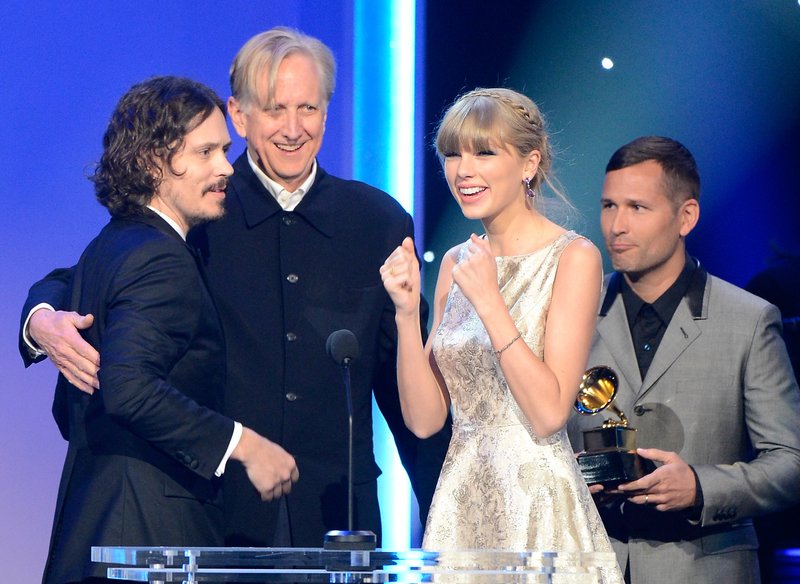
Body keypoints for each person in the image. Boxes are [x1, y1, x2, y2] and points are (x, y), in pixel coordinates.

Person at [20, 28, 449, 548]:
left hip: (337, 515)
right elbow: (97, 270)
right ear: (239, 116)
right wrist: (40, 317)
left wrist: (443, 513)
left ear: (327, 112)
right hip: (219, 513)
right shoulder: (201, 203)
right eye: (274, 109)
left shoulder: (376, 220)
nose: (293, 129)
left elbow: (403, 380)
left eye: (308, 109)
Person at [24, 76, 298, 584]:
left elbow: (61, 283)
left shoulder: (116, 242)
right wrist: (244, 445)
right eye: (207, 152)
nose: (224, 168)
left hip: (97, 521)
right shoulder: (160, 258)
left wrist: (37, 316)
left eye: (225, 150)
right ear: (153, 162)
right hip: (145, 538)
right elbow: (129, 388)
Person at [381, 88, 622, 582]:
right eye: (452, 154)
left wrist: (491, 303)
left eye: (484, 152)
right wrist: (407, 315)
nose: (463, 170)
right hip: (462, 502)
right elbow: (425, 421)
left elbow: (550, 412)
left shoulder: (573, 258)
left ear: (528, 163)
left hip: (537, 505)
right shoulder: (455, 262)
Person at [566, 136, 800, 583]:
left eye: (637, 207)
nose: (616, 225)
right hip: (592, 563)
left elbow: (790, 461)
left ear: (686, 216)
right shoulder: (571, 311)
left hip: (704, 566)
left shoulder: (748, 320)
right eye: (608, 205)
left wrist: (699, 486)